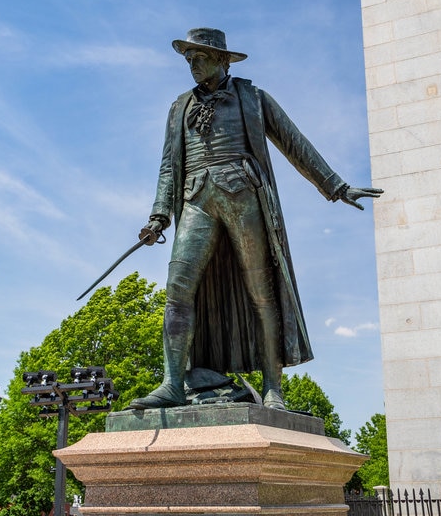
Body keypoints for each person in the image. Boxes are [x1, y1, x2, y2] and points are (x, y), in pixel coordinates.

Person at [127, 28, 382, 411]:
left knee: (261, 293)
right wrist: (159, 215)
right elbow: (169, 166)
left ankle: (272, 388)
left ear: (222, 59)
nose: (192, 64)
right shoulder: (179, 106)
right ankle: (173, 383)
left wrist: (336, 186)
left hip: (244, 196)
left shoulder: (252, 97)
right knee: (177, 291)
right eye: (188, 58)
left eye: (198, 56)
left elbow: (293, 143)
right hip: (196, 199)